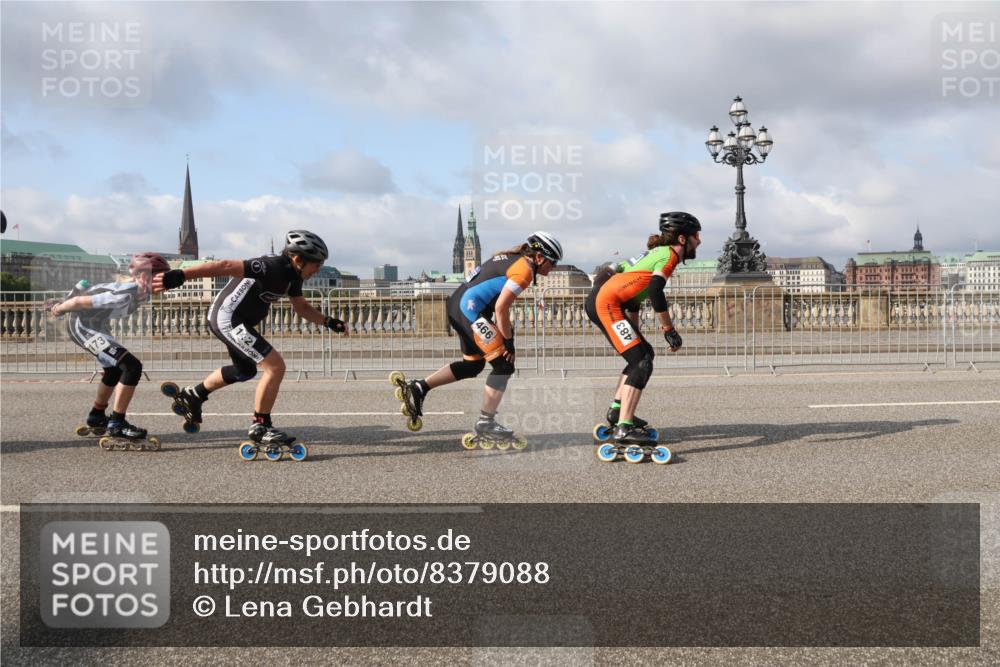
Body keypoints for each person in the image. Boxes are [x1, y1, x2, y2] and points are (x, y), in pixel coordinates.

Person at [153, 230, 349, 447]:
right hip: (228, 319)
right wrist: (181, 275)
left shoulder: (294, 276)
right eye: (317, 264)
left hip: (238, 322)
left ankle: (194, 395)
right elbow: (225, 265)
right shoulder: (271, 266)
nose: (318, 269)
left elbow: (301, 306)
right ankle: (260, 426)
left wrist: (329, 322)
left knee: (244, 371)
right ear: (298, 259)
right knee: (275, 367)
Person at [397, 231, 562, 447]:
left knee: (472, 365)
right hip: (470, 311)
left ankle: (419, 388)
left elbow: (495, 302)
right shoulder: (524, 271)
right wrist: (509, 343)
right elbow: (502, 308)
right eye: (553, 261)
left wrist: (503, 332)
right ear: (539, 257)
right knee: (504, 365)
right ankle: (486, 423)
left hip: (460, 306)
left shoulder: (512, 259)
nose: (554, 267)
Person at [586, 211, 702, 447]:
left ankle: (618, 413)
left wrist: (635, 334)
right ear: (682, 239)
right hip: (606, 304)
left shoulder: (655, 253)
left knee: (642, 355)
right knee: (642, 362)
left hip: (605, 301)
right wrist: (669, 330)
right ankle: (624, 429)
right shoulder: (669, 255)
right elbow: (655, 292)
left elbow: (632, 294)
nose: (699, 241)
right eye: (696, 236)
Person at [47, 252, 170, 446]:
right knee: (131, 367)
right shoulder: (125, 294)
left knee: (113, 371)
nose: (164, 283)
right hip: (83, 327)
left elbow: (87, 285)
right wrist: (59, 308)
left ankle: (97, 416)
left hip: (96, 325)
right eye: (161, 278)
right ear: (144, 276)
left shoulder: (141, 292)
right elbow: (79, 302)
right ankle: (117, 424)